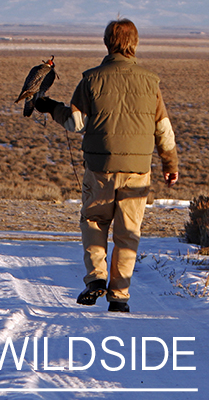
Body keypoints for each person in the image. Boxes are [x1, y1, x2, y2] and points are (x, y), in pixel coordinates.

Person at [34, 19, 178, 313]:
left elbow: (75, 123)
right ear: (135, 43)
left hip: (100, 167)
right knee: (128, 232)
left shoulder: (91, 80)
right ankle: (119, 296)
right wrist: (170, 163)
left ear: (107, 43)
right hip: (138, 169)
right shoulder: (151, 82)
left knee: (94, 221)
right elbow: (164, 129)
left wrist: (50, 107)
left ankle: (96, 278)